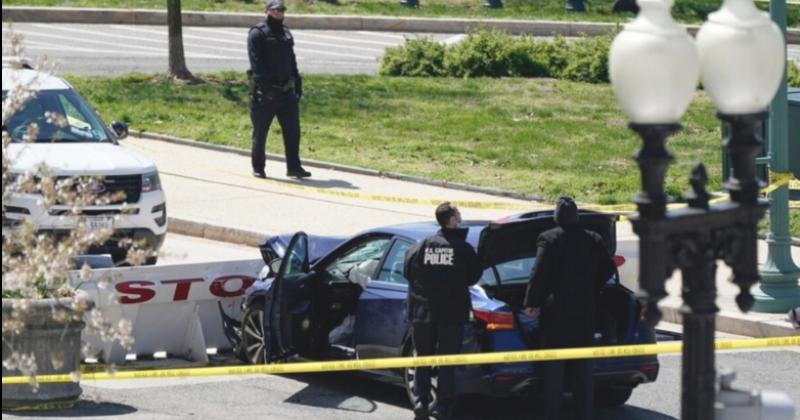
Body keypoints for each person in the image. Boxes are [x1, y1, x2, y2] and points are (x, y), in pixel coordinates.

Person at [523, 197, 616, 420]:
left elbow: (539, 273)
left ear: (557, 217)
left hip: (556, 313)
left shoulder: (549, 239)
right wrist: (593, 288)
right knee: (583, 370)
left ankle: (552, 414)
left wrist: (532, 303)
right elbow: (608, 267)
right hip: (585, 311)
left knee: (554, 370)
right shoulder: (593, 239)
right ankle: (584, 413)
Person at [404, 202, 482, 420]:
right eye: (459, 215)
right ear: (452, 220)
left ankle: (421, 402)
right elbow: (474, 276)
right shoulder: (463, 248)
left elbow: (407, 270)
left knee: (422, 360)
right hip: (451, 314)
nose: (461, 217)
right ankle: (443, 408)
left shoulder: (421, 246)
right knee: (447, 364)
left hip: (422, 313)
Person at [247, 0, 311, 179]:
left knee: (293, 131)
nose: (279, 13)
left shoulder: (285, 33)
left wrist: (297, 82)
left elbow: (291, 60)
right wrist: (267, 89)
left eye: (282, 10)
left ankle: (294, 167)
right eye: (275, 10)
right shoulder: (257, 33)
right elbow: (257, 64)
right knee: (260, 133)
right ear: (267, 11)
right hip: (264, 94)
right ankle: (258, 167)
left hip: (286, 93)